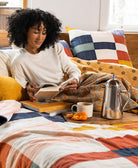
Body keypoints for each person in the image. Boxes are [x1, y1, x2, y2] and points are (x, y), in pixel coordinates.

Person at [7, 8, 81, 101]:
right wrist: (28, 89)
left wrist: (74, 79)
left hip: (69, 88)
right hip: (53, 96)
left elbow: (73, 69)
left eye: (44, 32)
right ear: (24, 31)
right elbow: (23, 89)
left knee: (103, 83)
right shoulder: (18, 61)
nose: (40, 37)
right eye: (36, 32)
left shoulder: (55, 47)